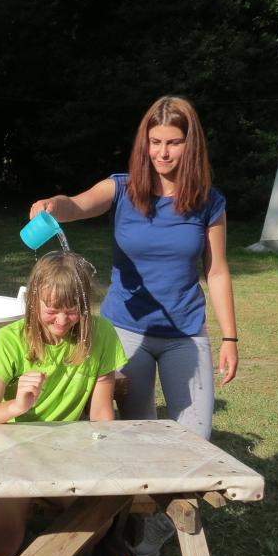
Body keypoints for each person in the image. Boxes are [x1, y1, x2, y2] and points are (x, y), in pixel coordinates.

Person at [28, 95, 238, 442]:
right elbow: (78, 206)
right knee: (136, 431)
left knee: (197, 435)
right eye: (155, 142)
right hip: (124, 331)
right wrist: (53, 206)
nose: (163, 153)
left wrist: (229, 338)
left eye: (173, 143)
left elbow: (217, 271)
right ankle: (151, 497)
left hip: (184, 332)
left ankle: (182, 495)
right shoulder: (122, 188)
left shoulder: (209, 201)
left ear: (191, 144)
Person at [0, 251, 128, 556]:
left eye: (73, 311)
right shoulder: (8, 341)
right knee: (2, 546)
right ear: (33, 303)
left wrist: (109, 461)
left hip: (64, 454)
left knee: (98, 518)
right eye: (52, 311)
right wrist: (16, 406)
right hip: (4, 454)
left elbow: (101, 415)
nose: (62, 321)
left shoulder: (102, 334)